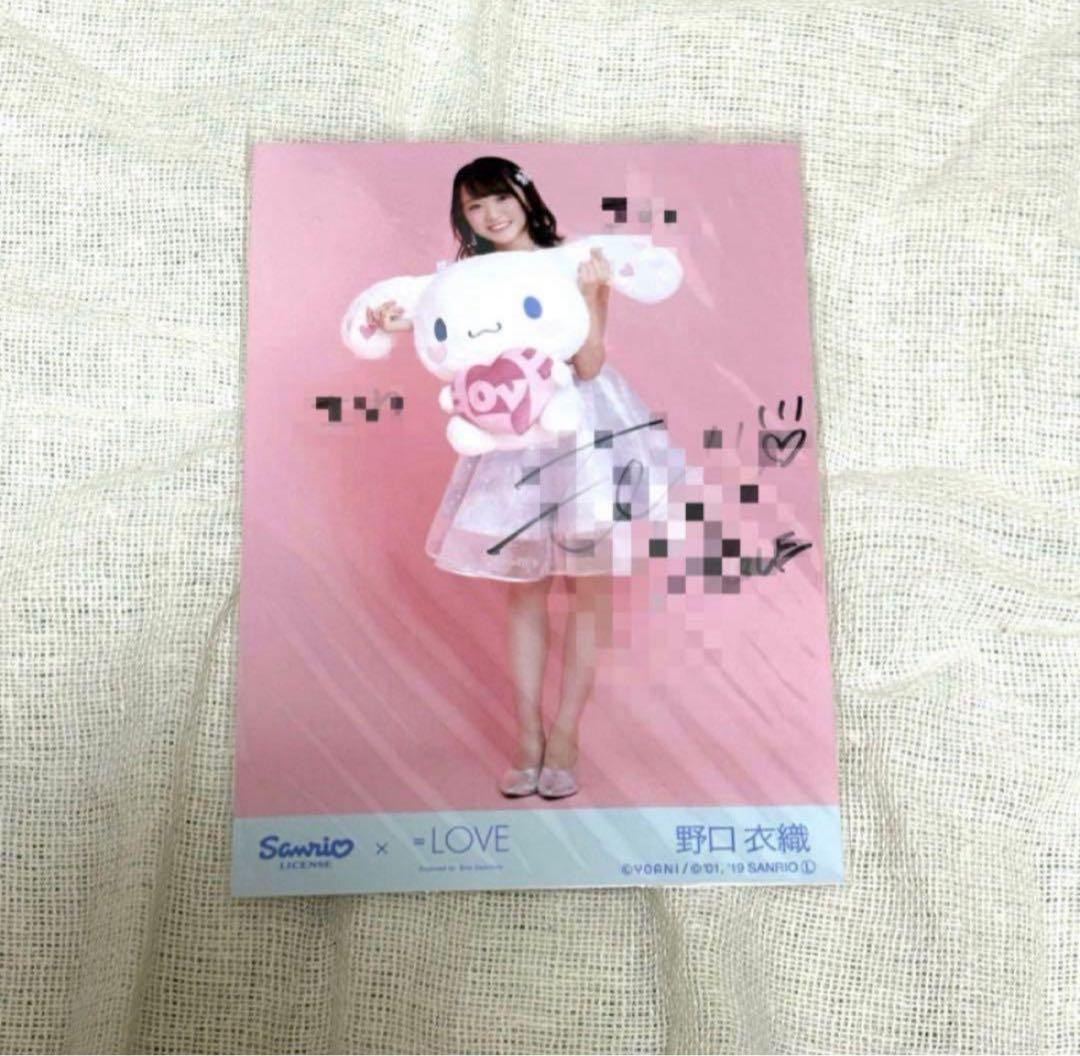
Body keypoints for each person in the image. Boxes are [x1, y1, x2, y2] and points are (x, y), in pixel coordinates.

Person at [367, 156, 668, 799]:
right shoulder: (465, 278)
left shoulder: (574, 261)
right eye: (474, 207)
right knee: (524, 588)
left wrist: (593, 297)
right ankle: (527, 736)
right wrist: (401, 320)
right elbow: (452, 343)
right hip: (513, 438)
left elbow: (589, 364)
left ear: (525, 196)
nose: (491, 215)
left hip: (582, 432)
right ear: (463, 219)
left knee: (588, 588)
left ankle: (566, 735)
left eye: (499, 198)